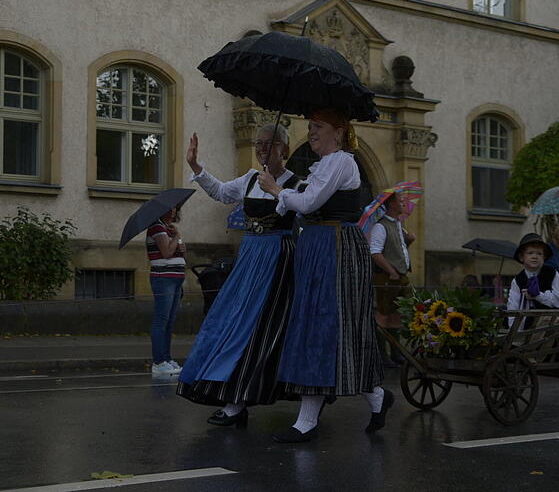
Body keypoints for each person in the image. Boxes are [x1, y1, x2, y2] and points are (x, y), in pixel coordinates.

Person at [258, 107, 388, 443]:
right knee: (311, 324)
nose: (311, 132)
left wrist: (276, 190)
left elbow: (310, 202)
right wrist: (280, 195)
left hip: (337, 247)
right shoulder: (322, 166)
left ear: (338, 131)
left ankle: (316, 417)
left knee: (331, 326)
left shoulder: (342, 161)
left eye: (317, 127)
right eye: (310, 126)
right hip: (316, 246)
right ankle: (368, 400)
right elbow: (296, 203)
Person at [177, 124, 301, 426]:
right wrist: (195, 165)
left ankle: (240, 401)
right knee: (229, 321)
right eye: (258, 143)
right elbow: (220, 192)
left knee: (258, 328)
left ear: (284, 149)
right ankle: (231, 398)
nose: (260, 149)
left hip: (277, 259)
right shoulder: (249, 179)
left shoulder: (297, 183)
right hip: (250, 256)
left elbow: (306, 213)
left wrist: (277, 190)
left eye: (268, 144)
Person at [369, 189, 415, 367]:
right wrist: (391, 271)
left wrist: (409, 241)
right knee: (383, 316)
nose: (403, 201)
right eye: (399, 199)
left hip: (400, 277)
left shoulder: (398, 225)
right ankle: (382, 355)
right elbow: (375, 253)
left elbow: (397, 251)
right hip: (387, 278)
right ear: (391, 204)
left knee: (396, 316)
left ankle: (396, 354)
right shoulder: (381, 226)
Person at [146, 207, 186, 376]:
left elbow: (182, 251)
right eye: (171, 209)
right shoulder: (156, 227)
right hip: (164, 278)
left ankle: (167, 358)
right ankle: (158, 361)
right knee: (162, 319)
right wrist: (176, 237)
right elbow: (167, 252)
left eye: (176, 209)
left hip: (176, 278)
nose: (174, 212)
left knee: (170, 320)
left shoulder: (167, 229)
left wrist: (177, 238)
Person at [507, 233, 559, 326]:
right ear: (521, 257)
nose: (535, 256)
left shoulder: (551, 273)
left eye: (539, 253)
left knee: (549, 319)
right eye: (530, 253)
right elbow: (513, 305)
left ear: (544, 257)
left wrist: (538, 296)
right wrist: (513, 328)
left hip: (551, 321)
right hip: (526, 324)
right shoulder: (518, 280)